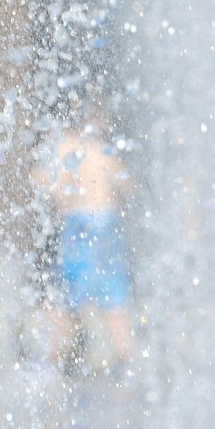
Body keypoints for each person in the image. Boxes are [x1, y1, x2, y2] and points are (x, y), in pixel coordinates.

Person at [34, 104, 136, 375]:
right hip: (109, 221)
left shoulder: (69, 146)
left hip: (80, 223)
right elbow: (127, 185)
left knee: (67, 297)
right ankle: (125, 362)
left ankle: (50, 363)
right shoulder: (105, 151)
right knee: (114, 295)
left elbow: (51, 186)